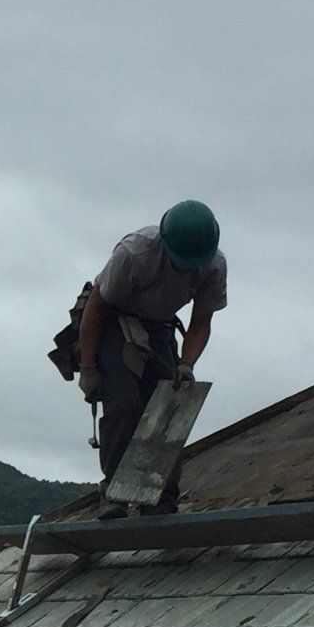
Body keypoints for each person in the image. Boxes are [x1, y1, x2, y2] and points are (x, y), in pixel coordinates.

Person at [76, 201, 225, 510]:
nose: (186, 268)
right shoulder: (135, 254)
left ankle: (160, 495)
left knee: (167, 404)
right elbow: (96, 309)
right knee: (124, 402)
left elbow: (201, 322)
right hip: (114, 322)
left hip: (159, 328)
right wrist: (88, 367)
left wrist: (186, 364)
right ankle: (115, 494)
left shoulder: (213, 265)